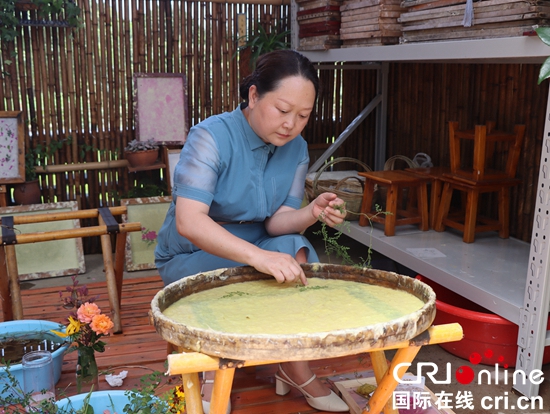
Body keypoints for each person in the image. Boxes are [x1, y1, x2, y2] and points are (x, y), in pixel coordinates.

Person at [154, 49, 349, 413]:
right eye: (282, 109)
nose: (291, 124)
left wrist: (310, 212)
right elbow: (190, 221)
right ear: (255, 95)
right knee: (253, 267)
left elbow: (278, 223)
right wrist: (259, 256)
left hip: (257, 239)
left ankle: (293, 363)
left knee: (296, 246)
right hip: (192, 251)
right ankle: (216, 368)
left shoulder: (298, 148)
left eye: (303, 115)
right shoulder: (210, 136)